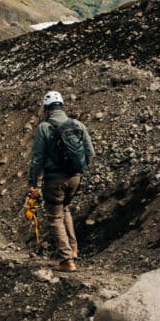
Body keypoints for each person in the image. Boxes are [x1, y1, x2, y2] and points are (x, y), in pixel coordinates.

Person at [28, 90, 94, 272]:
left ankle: (66, 260)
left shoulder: (44, 128)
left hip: (54, 181)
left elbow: (37, 159)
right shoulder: (77, 125)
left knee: (55, 218)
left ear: (46, 108)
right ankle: (73, 250)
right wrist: (77, 171)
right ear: (61, 106)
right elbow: (90, 153)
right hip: (75, 179)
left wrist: (33, 183)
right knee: (65, 210)